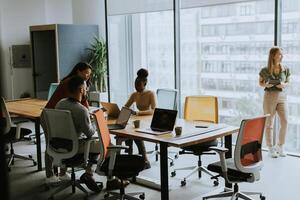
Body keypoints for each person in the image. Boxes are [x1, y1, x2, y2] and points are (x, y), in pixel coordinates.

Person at [42, 62, 92, 184]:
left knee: (65, 139)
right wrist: (87, 113)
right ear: (78, 71)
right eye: (86, 73)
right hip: (49, 116)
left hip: (59, 114)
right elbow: (79, 101)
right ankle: (49, 175)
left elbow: (81, 101)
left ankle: (62, 174)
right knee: (52, 144)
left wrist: (87, 111)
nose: (87, 76)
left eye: (89, 74)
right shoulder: (70, 83)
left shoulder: (77, 83)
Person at [55, 75, 101, 192]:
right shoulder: (81, 110)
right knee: (104, 144)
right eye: (85, 88)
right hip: (74, 147)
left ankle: (87, 174)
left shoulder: (60, 103)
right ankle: (89, 173)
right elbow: (90, 133)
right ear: (81, 89)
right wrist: (96, 121)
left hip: (58, 145)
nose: (86, 90)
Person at [259, 46, 290, 158]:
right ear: (273, 55)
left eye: (282, 54)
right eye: (279, 54)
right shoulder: (265, 70)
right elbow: (261, 83)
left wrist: (283, 84)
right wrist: (268, 84)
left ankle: (280, 146)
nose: (281, 56)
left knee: (285, 121)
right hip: (269, 96)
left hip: (282, 96)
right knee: (269, 123)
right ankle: (270, 147)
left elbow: (288, 82)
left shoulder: (285, 68)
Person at [122, 68, 156, 169]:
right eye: (135, 85)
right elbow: (125, 107)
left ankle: (145, 159)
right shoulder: (134, 94)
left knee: (135, 133)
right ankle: (130, 155)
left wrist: (137, 112)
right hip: (138, 119)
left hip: (149, 119)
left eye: (139, 85)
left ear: (144, 84)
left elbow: (154, 110)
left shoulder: (151, 94)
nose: (137, 88)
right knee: (127, 130)